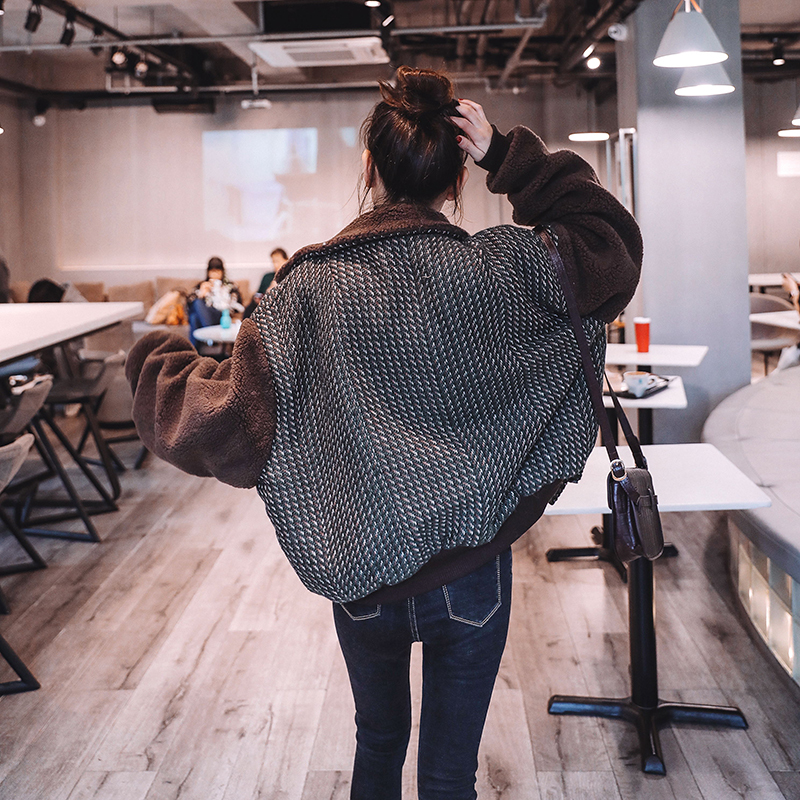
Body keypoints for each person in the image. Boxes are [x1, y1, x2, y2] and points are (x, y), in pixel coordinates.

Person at [125, 66, 641, 800]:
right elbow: (609, 242)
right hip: (472, 568)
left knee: (376, 746)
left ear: (368, 167)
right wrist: (505, 155)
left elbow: (228, 424)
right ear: (457, 178)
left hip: (361, 568)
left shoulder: (305, 291)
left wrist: (158, 359)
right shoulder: (501, 270)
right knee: (449, 775)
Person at [187, 256, 242, 348]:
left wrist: (221, 292)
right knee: (194, 315)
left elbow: (238, 304)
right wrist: (201, 294)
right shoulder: (202, 285)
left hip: (221, 316)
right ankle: (201, 344)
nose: (215, 274)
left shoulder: (230, 286)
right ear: (208, 272)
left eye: (218, 271)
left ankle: (194, 350)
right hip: (205, 316)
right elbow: (189, 305)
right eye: (212, 271)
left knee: (194, 315)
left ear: (222, 272)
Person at [243, 248, 289, 319]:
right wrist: (258, 297)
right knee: (251, 307)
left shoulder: (290, 277)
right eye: (273, 262)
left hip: (279, 306)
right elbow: (258, 293)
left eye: (277, 261)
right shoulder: (267, 276)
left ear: (286, 260)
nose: (275, 265)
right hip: (263, 304)